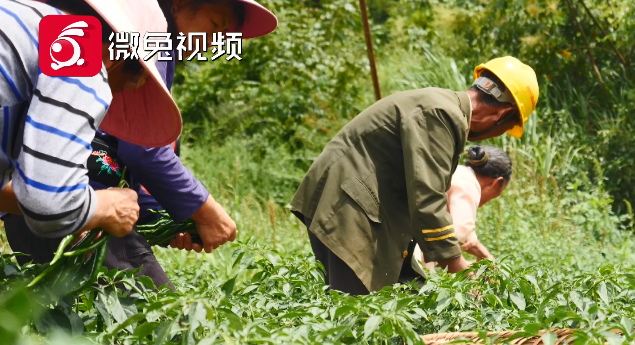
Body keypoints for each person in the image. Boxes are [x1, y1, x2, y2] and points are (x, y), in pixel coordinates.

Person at [4, 0, 277, 290]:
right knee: (167, 324)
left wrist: (167, 219)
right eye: (215, 26)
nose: (214, 43)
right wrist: (203, 210)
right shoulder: (97, 51)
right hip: (71, 199)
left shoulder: (36, 32)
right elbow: (142, 150)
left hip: (56, 201)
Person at [291, 56, 539, 295]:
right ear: (501, 114)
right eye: (505, 128)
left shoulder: (444, 108)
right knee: (357, 318)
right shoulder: (443, 114)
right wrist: (458, 268)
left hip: (365, 210)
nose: (489, 138)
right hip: (348, 209)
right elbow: (428, 200)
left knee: (411, 298)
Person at [0, 0, 180, 245]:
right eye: (125, 86)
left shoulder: (20, 20)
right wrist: (105, 207)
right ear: (115, 59)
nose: (112, 98)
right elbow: (49, 206)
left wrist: (81, 210)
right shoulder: (79, 52)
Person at [416, 145, 512, 269]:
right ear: (497, 182)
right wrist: (486, 255)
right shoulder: (468, 183)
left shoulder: (458, 171)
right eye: (497, 194)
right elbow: (461, 234)